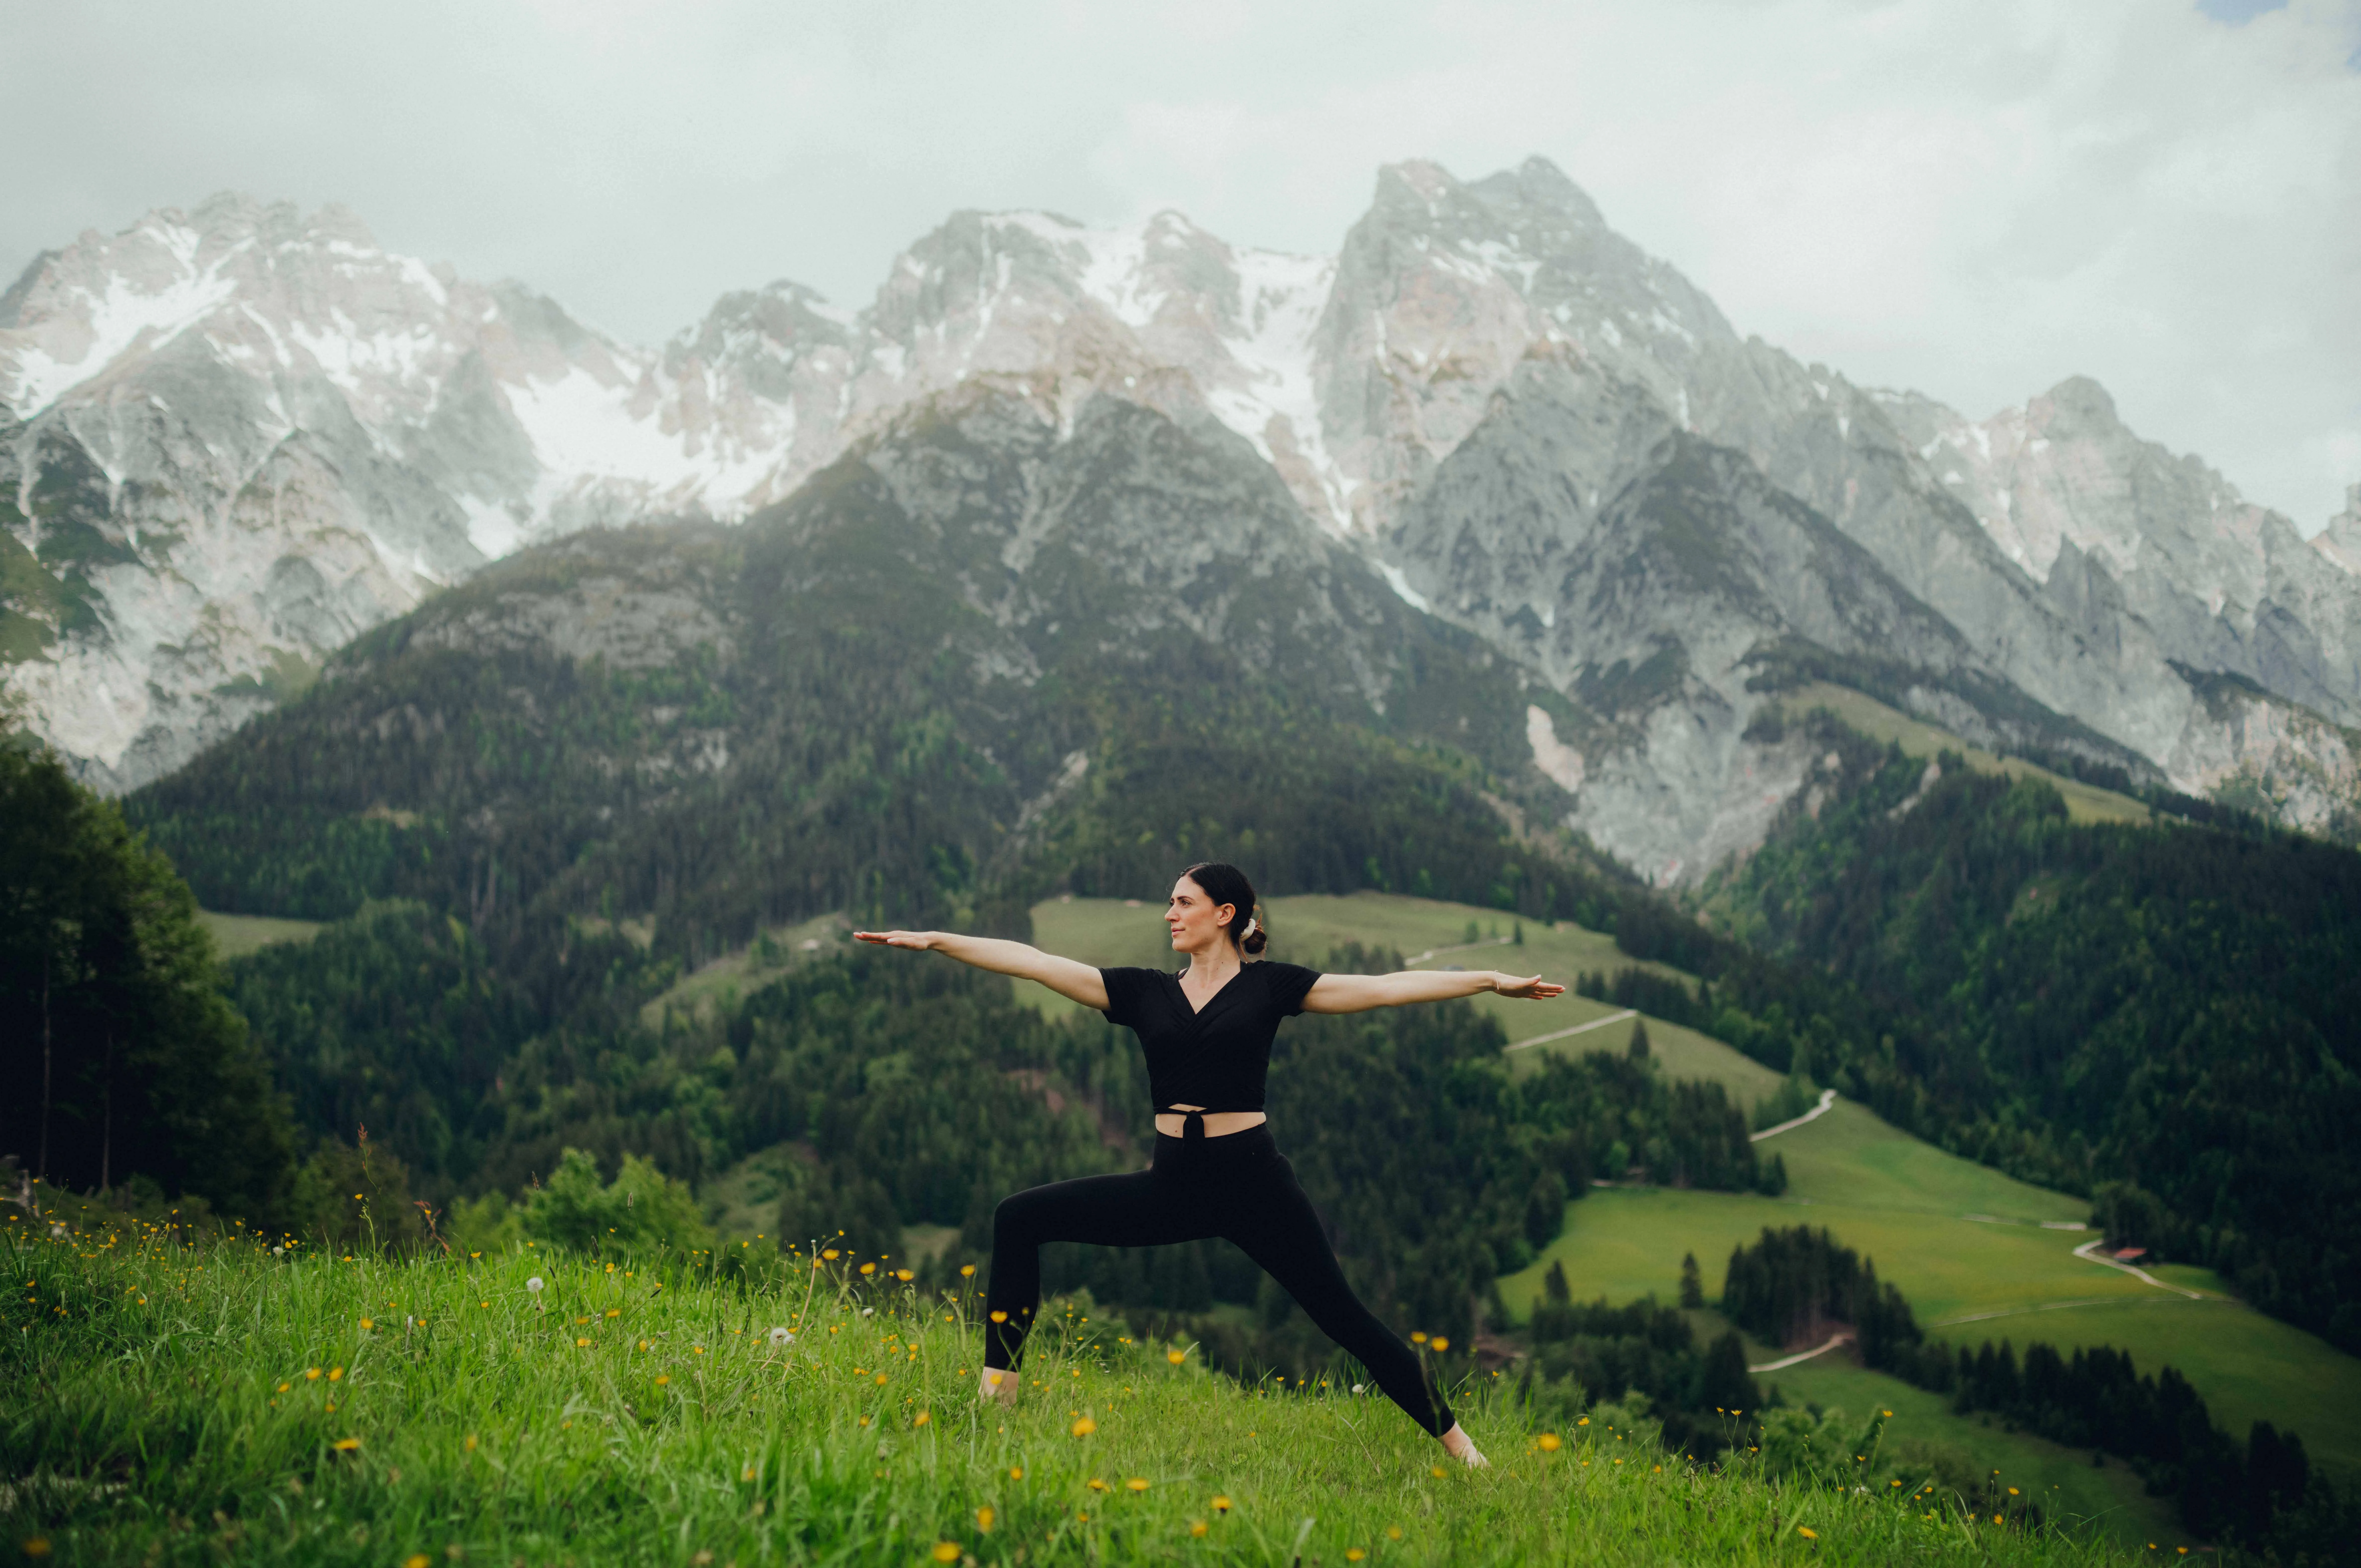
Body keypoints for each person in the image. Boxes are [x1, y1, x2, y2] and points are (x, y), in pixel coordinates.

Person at [854, 861, 1565, 1469]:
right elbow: (1036, 963)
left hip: (1255, 1184)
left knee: (1346, 1318)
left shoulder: (1272, 987)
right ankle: (996, 1404)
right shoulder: (1143, 993)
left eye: (1183, 902)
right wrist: (940, 941)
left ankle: (1466, 1454)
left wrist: (1488, 982)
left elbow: (1382, 988)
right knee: (1020, 1218)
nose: (1170, 914)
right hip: (1174, 1184)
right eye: (1170, 903)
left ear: (1227, 915)